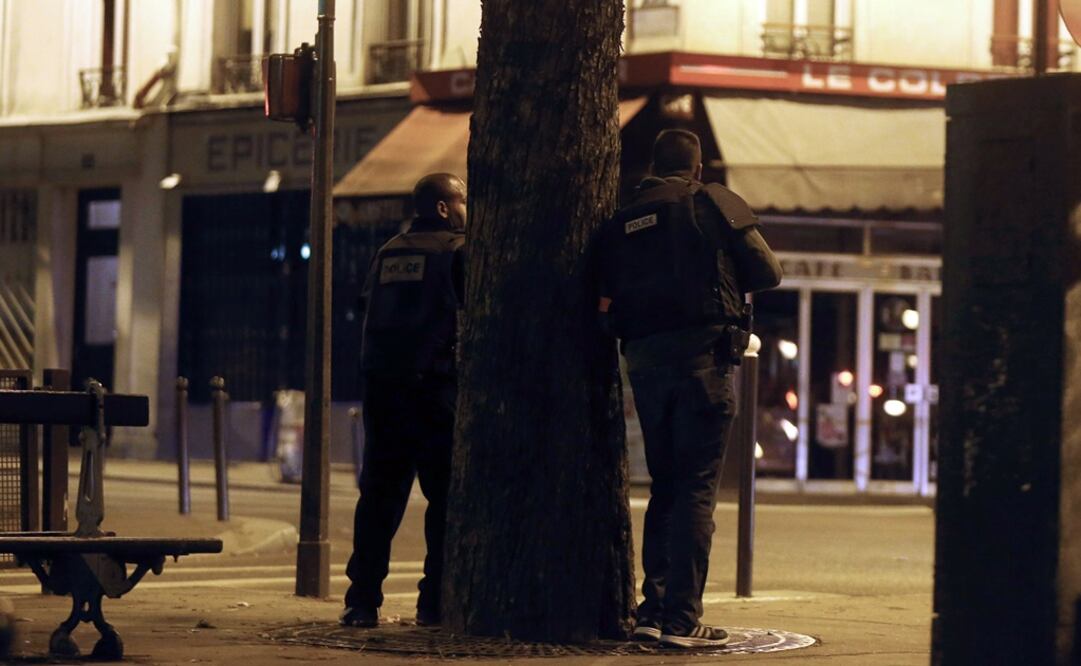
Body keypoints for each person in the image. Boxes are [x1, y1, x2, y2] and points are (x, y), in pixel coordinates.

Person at [594, 129, 782, 649]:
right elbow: (768, 271)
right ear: (697, 168)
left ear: (654, 163)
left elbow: (605, 294)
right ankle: (682, 620)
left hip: (648, 366)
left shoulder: (622, 217)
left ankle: (651, 612)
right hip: (705, 363)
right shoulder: (713, 202)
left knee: (665, 487)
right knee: (697, 492)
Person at [341, 173, 467, 628]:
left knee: (378, 497)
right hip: (434, 388)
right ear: (442, 207)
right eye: (461, 201)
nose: (464, 211)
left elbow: (368, 306)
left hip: (382, 387)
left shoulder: (388, 251)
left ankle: (361, 601)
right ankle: (432, 602)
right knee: (447, 499)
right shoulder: (456, 250)